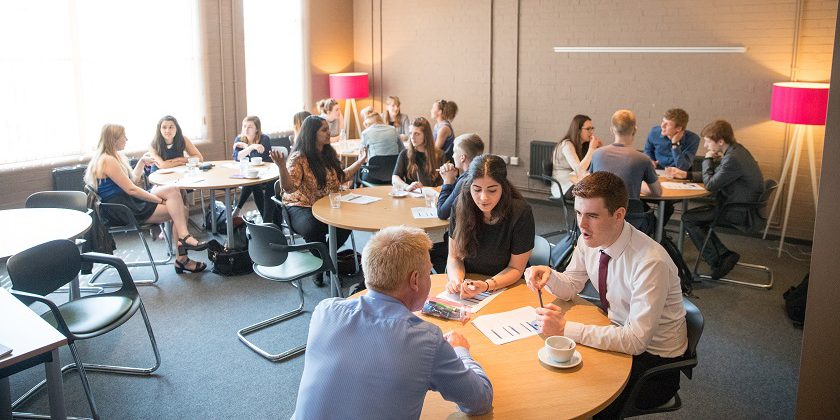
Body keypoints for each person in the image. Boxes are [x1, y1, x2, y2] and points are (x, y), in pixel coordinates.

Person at [525, 171, 687, 419]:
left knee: (578, 398)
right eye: (578, 213)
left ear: (619, 214)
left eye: (592, 216)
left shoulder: (650, 262)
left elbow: (636, 341)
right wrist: (550, 275)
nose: (582, 225)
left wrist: (565, 328)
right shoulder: (590, 239)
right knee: (548, 379)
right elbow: (572, 284)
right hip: (617, 333)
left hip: (654, 365)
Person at [292, 226, 493, 419]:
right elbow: (480, 401)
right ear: (415, 280)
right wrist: (460, 351)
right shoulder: (426, 340)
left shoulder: (325, 311)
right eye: (428, 272)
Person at [85, 124, 208, 274]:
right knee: (180, 210)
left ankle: (183, 237)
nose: (126, 139)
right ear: (114, 139)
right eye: (124, 136)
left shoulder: (113, 156)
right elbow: (131, 189)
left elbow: (133, 181)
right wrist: (158, 200)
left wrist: (141, 162)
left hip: (126, 201)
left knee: (173, 190)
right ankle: (182, 258)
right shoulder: (107, 160)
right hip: (121, 208)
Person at [269, 115, 367, 287]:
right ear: (312, 133)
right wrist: (282, 167)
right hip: (300, 206)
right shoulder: (298, 158)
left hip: (324, 204)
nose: (329, 133)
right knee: (313, 227)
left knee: (346, 223)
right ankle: (327, 266)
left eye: (328, 129)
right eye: (324, 130)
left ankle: (322, 264)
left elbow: (341, 177)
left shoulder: (328, 154)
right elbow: (290, 188)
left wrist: (360, 161)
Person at [675, 120, 764, 280]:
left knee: (689, 218)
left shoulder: (732, 159)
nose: (706, 146)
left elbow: (711, 184)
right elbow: (717, 175)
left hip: (737, 211)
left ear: (721, 141)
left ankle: (717, 260)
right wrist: (687, 175)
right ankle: (724, 255)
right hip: (742, 207)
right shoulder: (737, 151)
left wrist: (707, 159)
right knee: (696, 219)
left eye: (708, 142)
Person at [446, 154, 535, 299]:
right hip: (470, 282)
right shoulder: (461, 205)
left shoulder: (520, 212)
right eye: (477, 189)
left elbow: (516, 268)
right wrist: (456, 280)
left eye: (492, 190)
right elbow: (454, 257)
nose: (483, 198)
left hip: (507, 286)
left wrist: (487, 285)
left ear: (503, 187)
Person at [590, 109, 662, 213]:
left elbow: (592, 184)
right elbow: (657, 192)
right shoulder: (643, 159)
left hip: (601, 214)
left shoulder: (597, 154)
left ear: (612, 130)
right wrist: (637, 186)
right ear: (635, 130)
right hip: (630, 216)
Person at [643, 108, 701, 223]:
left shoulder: (692, 139)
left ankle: (656, 230)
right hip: (656, 177)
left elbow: (683, 167)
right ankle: (652, 227)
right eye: (662, 121)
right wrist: (650, 160)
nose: (662, 126)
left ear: (678, 128)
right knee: (636, 198)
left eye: (667, 124)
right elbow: (648, 151)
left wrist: (675, 144)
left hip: (677, 181)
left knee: (667, 206)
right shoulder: (654, 132)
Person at [231, 116, 273, 220]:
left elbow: (257, 158)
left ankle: (237, 208)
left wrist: (246, 147)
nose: (246, 129)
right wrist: (251, 147)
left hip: (267, 175)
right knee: (253, 182)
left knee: (253, 182)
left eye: (250, 127)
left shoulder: (264, 139)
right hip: (250, 175)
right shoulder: (239, 139)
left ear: (257, 129)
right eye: (244, 126)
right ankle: (265, 219)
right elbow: (236, 157)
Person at [551, 114, 603, 198]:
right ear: (578, 130)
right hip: (564, 187)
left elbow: (593, 167)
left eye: (592, 128)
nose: (591, 132)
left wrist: (600, 148)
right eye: (588, 129)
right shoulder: (566, 145)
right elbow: (579, 171)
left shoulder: (584, 145)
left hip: (577, 182)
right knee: (597, 191)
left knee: (604, 186)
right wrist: (591, 149)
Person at [437, 133, 485, 220]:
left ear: (462, 157)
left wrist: (447, 182)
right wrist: (452, 180)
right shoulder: (481, 172)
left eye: (454, 152)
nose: (452, 156)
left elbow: (442, 213)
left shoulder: (466, 180)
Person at [392, 117, 442, 191]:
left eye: (417, 134)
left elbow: (443, 183)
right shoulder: (404, 154)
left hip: (433, 194)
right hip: (413, 194)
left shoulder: (439, 154)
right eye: (410, 133)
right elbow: (395, 178)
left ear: (426, 136)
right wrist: (407, 186)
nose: (412, 137)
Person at [431, 99, 458, 163]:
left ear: (440, 112)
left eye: (433, 108)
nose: (431, 110)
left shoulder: (444, 128)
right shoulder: (437, 125)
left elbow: (436, 151)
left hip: (446, 163)